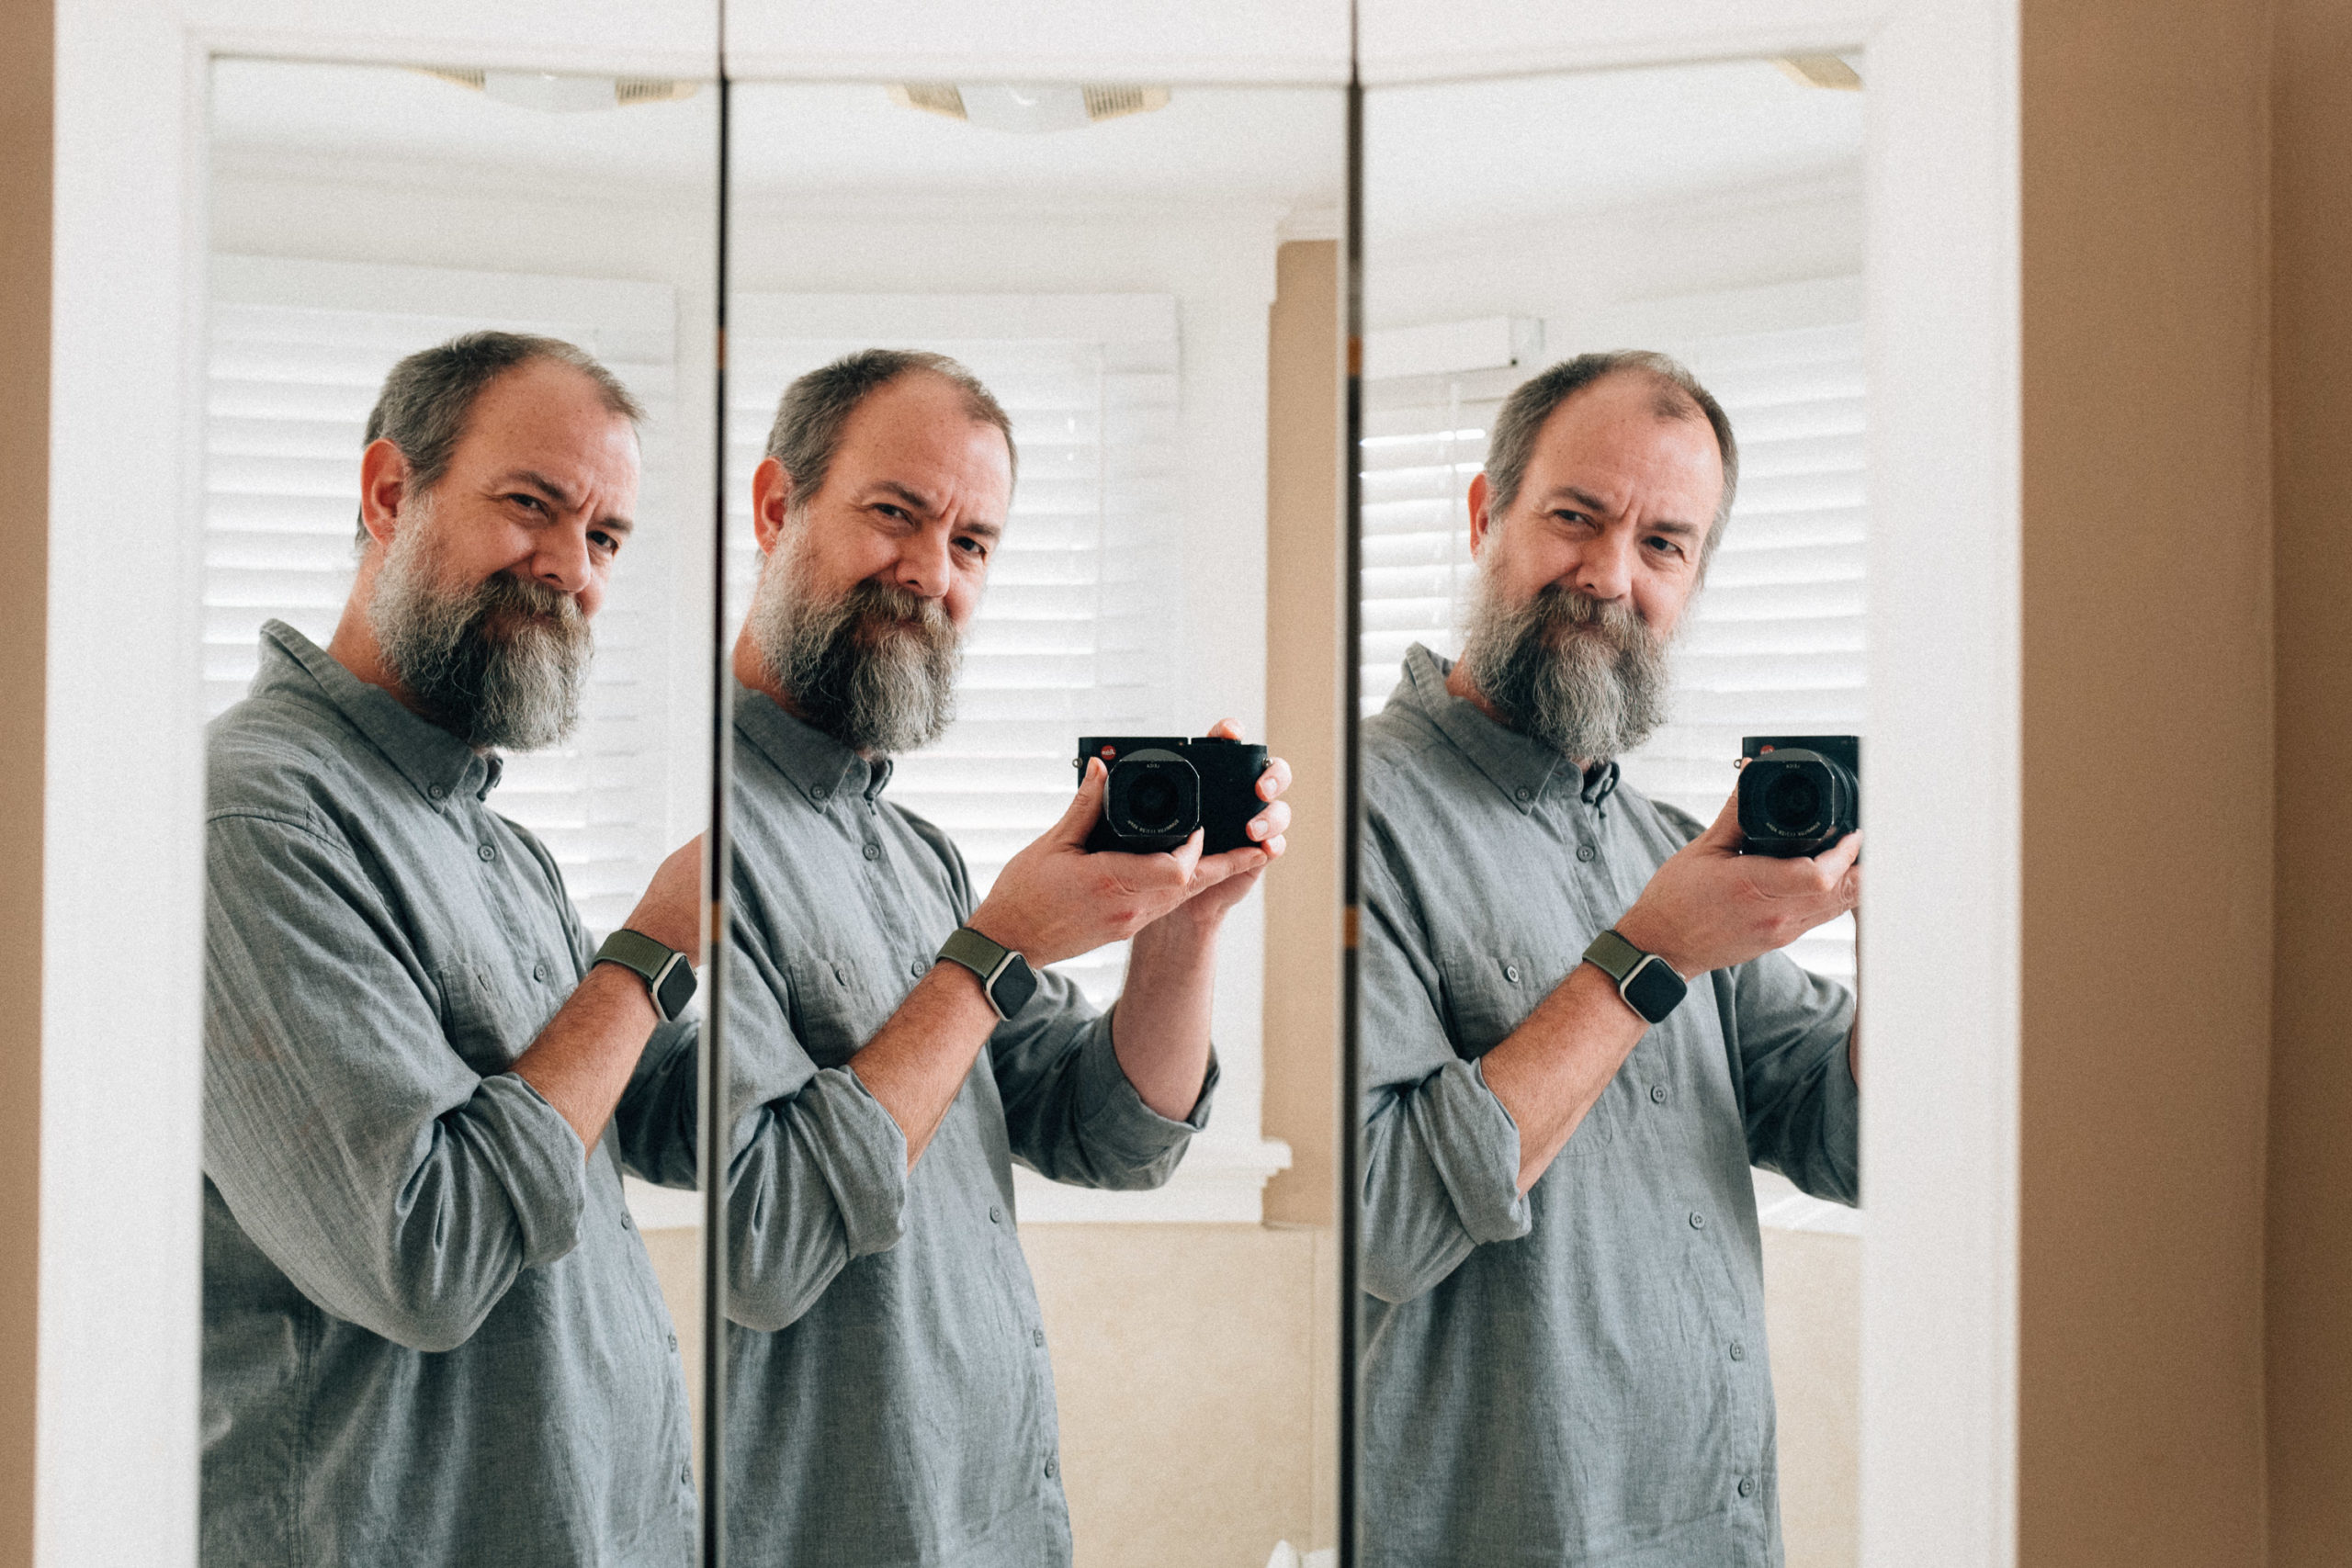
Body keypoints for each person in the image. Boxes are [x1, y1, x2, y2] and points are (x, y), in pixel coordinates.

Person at [716, 349, 1291, 1567]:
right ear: (775, 508)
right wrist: (1005, 944)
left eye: (973, 542)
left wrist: (1178, 937)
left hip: (996, 1512)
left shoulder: (916, 856)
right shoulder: (699, 834)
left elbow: (1110, 1134)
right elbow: (762, 1236)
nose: (932, 574)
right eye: (896, 515)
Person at [202, 333, 704, 1566]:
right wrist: (655, 945)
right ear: (390, 494)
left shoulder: (502, 853)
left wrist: (986, 947)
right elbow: (421, 1255)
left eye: (605, 538)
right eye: (533, 505)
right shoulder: (250, 815)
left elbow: (665, 1113)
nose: (570, 568)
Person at [1359, 351, 1863, 1567]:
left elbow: (1846, 1141)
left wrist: (1904, 933)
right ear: (1487, 515)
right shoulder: (1352, 813)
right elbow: (1384, 1216)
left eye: (1663, 545)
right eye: (1576, 519)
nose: (1607, 578)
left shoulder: (1675, 848)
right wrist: (1650, 955)